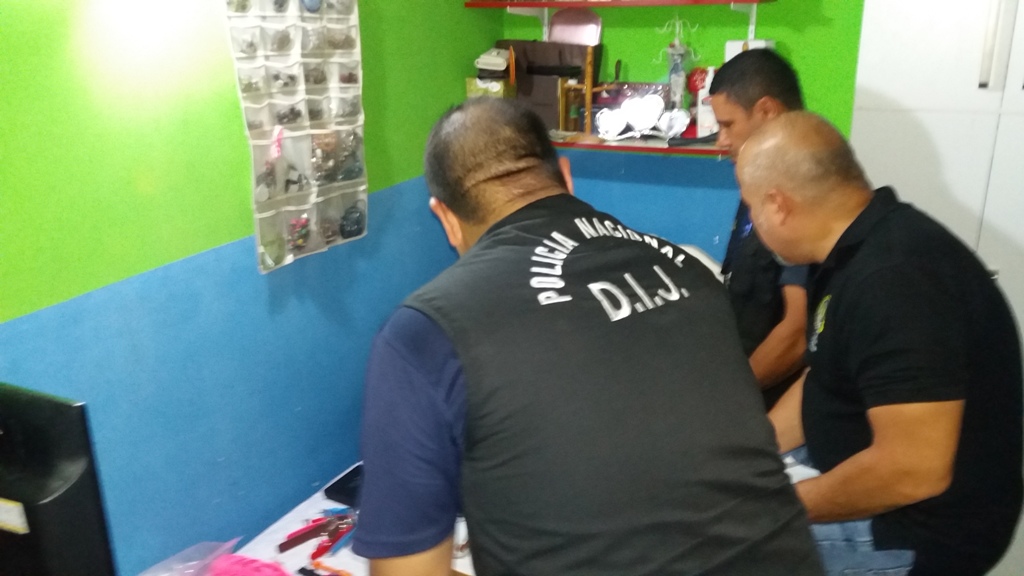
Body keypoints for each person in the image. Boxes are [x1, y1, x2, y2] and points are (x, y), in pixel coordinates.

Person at [352, 98, 823, 576]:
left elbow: (408, 573)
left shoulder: (424, 335)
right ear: (566, 176)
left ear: (446, 218)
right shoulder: (690, 271)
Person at [736, 111, 1024, 575]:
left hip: (919, 529)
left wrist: (775, 506)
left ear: (778, 205)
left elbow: (913, 470)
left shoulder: (895, 281)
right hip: (865, 472)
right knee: (717, 500)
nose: (752, 222)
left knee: (714, 544)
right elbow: (823, 378)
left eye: (750, 208)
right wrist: (747, 454)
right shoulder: (854, 248)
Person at [709, 49, 809, 408]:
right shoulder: (757, 181)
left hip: (772, 404)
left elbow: (796, 333)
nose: (721, 141)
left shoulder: (804, 194)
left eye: (728, 125)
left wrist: (727, 400)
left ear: (767, 111)